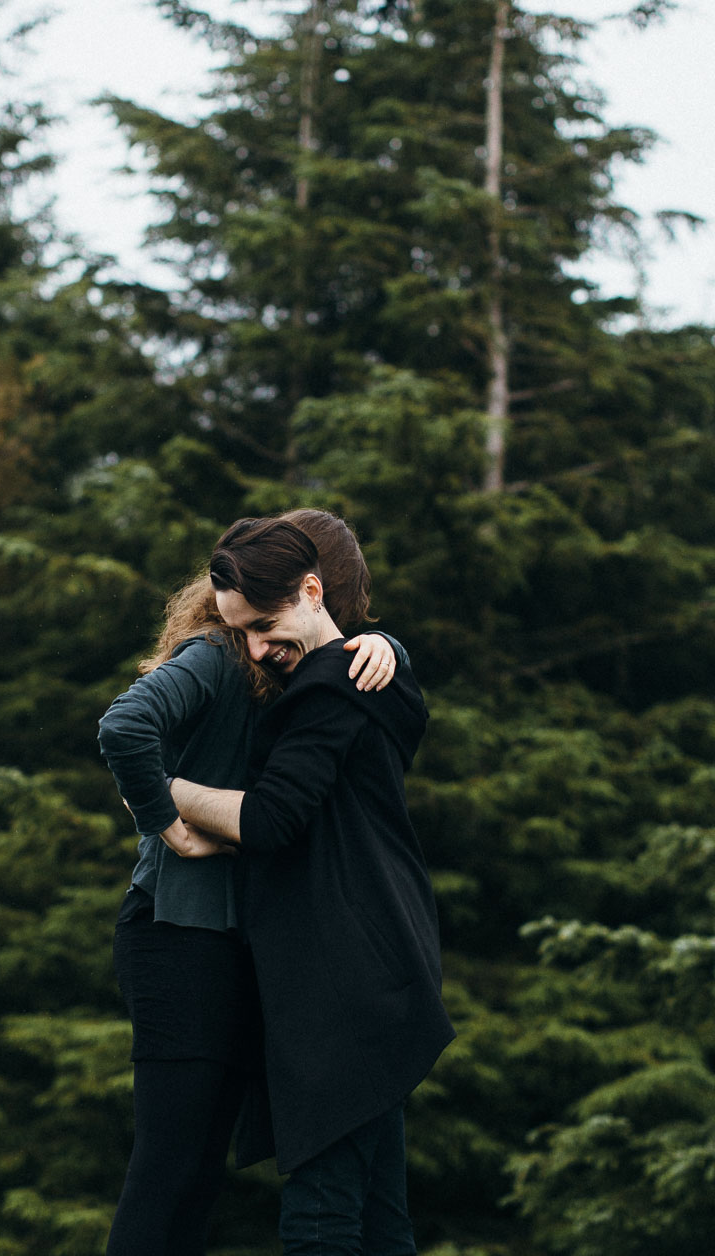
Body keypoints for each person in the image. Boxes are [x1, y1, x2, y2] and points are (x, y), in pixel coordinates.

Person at [97, 510, 403, 1256]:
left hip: (241, 945)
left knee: (200, 1181)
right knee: (171, 1172)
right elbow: (123, 725)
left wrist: (387, 646)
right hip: (178, 935)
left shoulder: (284, 661)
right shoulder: (217, 654)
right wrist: (162, 815)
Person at [167, 517, 452, 1256]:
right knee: (382, 1215)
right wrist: (391, 646)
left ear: (313, 589)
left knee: (322, 1211)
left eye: (263, 627)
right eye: (243, 636)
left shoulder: (330, 685)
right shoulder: (365, 674)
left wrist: (167, 791)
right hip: (382, 963)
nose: (258, 650)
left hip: (341, 979)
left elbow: (269, 820)